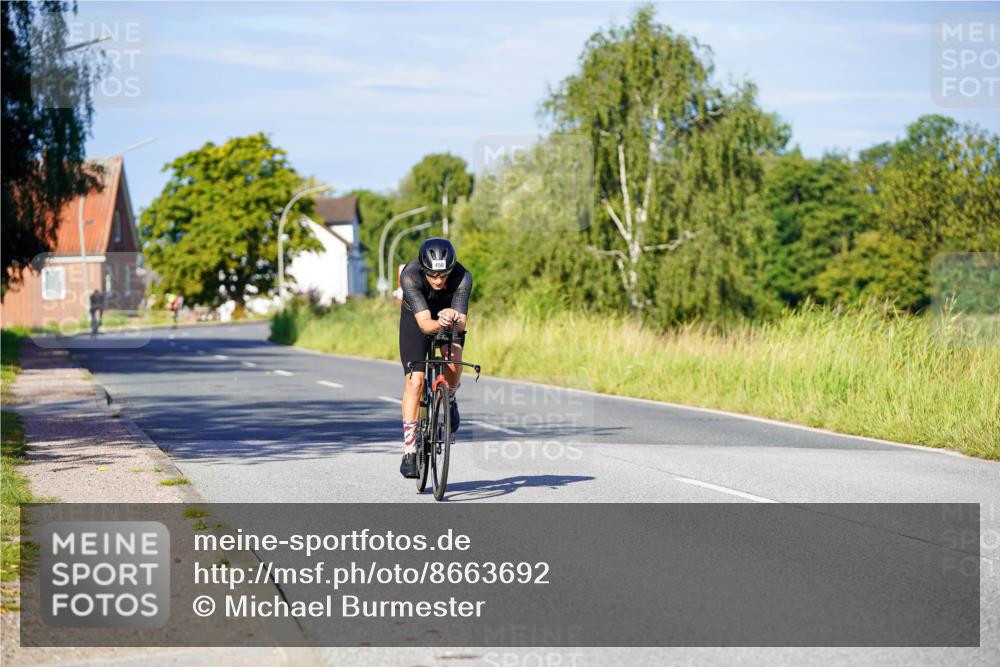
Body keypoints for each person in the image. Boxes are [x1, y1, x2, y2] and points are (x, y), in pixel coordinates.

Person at [398, 238, 472, 479]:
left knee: (454, 360)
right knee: (416, 381)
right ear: (423, 269)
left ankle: (449, 397)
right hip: (418, 320)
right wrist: (439, 320)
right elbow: (425, 324)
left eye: (444, 275)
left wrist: (453, 317)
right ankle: (410, 450)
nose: (439, 280)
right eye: (433, 275)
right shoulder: (410, 276)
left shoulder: (463, 277)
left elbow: (462, 322)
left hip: (448, 318)